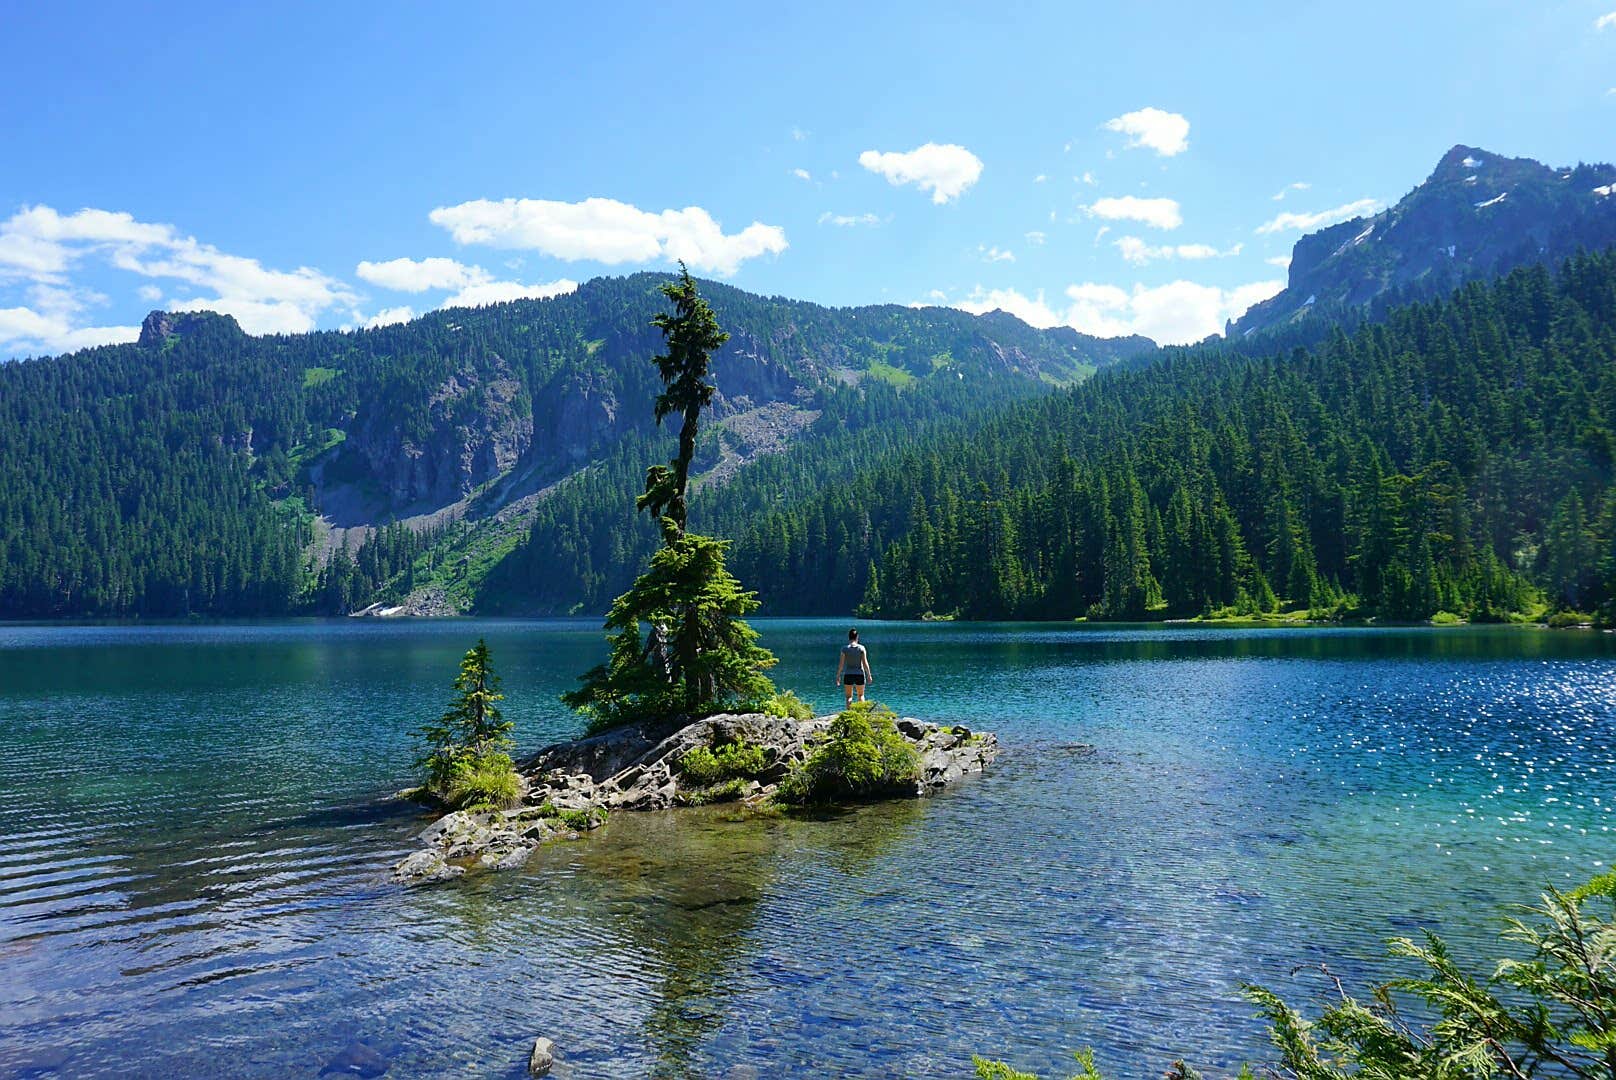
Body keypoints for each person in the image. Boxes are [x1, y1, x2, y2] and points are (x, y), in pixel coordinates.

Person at [835, 627, 872, 706]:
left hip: (848, 674)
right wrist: (869, 675)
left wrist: (838, 676)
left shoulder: (844, 649)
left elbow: (841, 665)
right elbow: (865, 663)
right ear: (857, 637)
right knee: (861, 695)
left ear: (849, 637)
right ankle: (861, 713)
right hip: (860, 674)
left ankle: (849, 713)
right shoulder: (861, 648)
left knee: (848, 697)